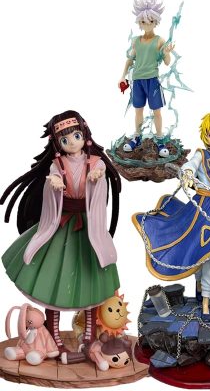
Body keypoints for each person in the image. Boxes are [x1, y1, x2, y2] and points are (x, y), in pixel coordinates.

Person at [1, 110, 121, 353]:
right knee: (52, 281)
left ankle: (89, 335)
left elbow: (99, 189)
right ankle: (53, 334)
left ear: (84, 134)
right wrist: (53, 183)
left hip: (88, 228)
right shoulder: (58, 165)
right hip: (61, 225)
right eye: (64, 140)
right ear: (57, 144)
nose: (72, 143)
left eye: (76, 136)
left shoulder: (96, 163)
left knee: (91, 281)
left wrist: (97, 177)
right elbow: (53, 181)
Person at [132, 112, 210, 320]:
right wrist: (188, 173)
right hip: (199, 209)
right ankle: (199, 286)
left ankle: (206, 299)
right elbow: (190, 165)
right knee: (192, 248)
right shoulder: (201, 154)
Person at [118, 0, 174, 157]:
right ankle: (137, 136)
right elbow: (130, 59)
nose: (147, 24)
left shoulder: (159, 40)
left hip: (152, 81)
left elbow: (167, 62)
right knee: (138, 111)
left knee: (156, 111)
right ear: (139, 22)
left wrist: (167, 52)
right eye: (143, 21)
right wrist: (122, 76)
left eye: (150, 21)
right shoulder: (136, 40)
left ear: (156, 21)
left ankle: (160, 139)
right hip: (137, 80)